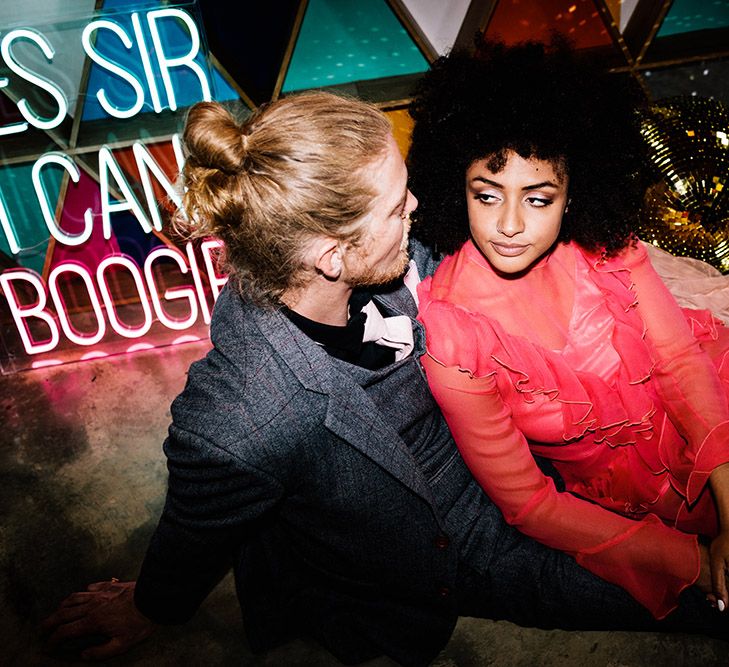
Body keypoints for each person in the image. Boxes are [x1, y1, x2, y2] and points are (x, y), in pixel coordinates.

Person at [43, 91, 726, 667]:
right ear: (332, 254)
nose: (418, 209)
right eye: (398, 205)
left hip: (527, 447)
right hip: (460, 537)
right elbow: (197, 529)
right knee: (695, 591)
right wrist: (150, 605)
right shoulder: (239, 421)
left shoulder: (392, 259)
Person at [409, 38, 729, 624]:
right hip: (642, 512)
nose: (508, 225)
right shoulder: (454, 336)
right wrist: (694, 561)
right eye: (487, 195)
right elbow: (529, 503)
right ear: (457, 188)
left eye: (537, 198)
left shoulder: (604, 248)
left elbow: (682, 363)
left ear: (572, 194)